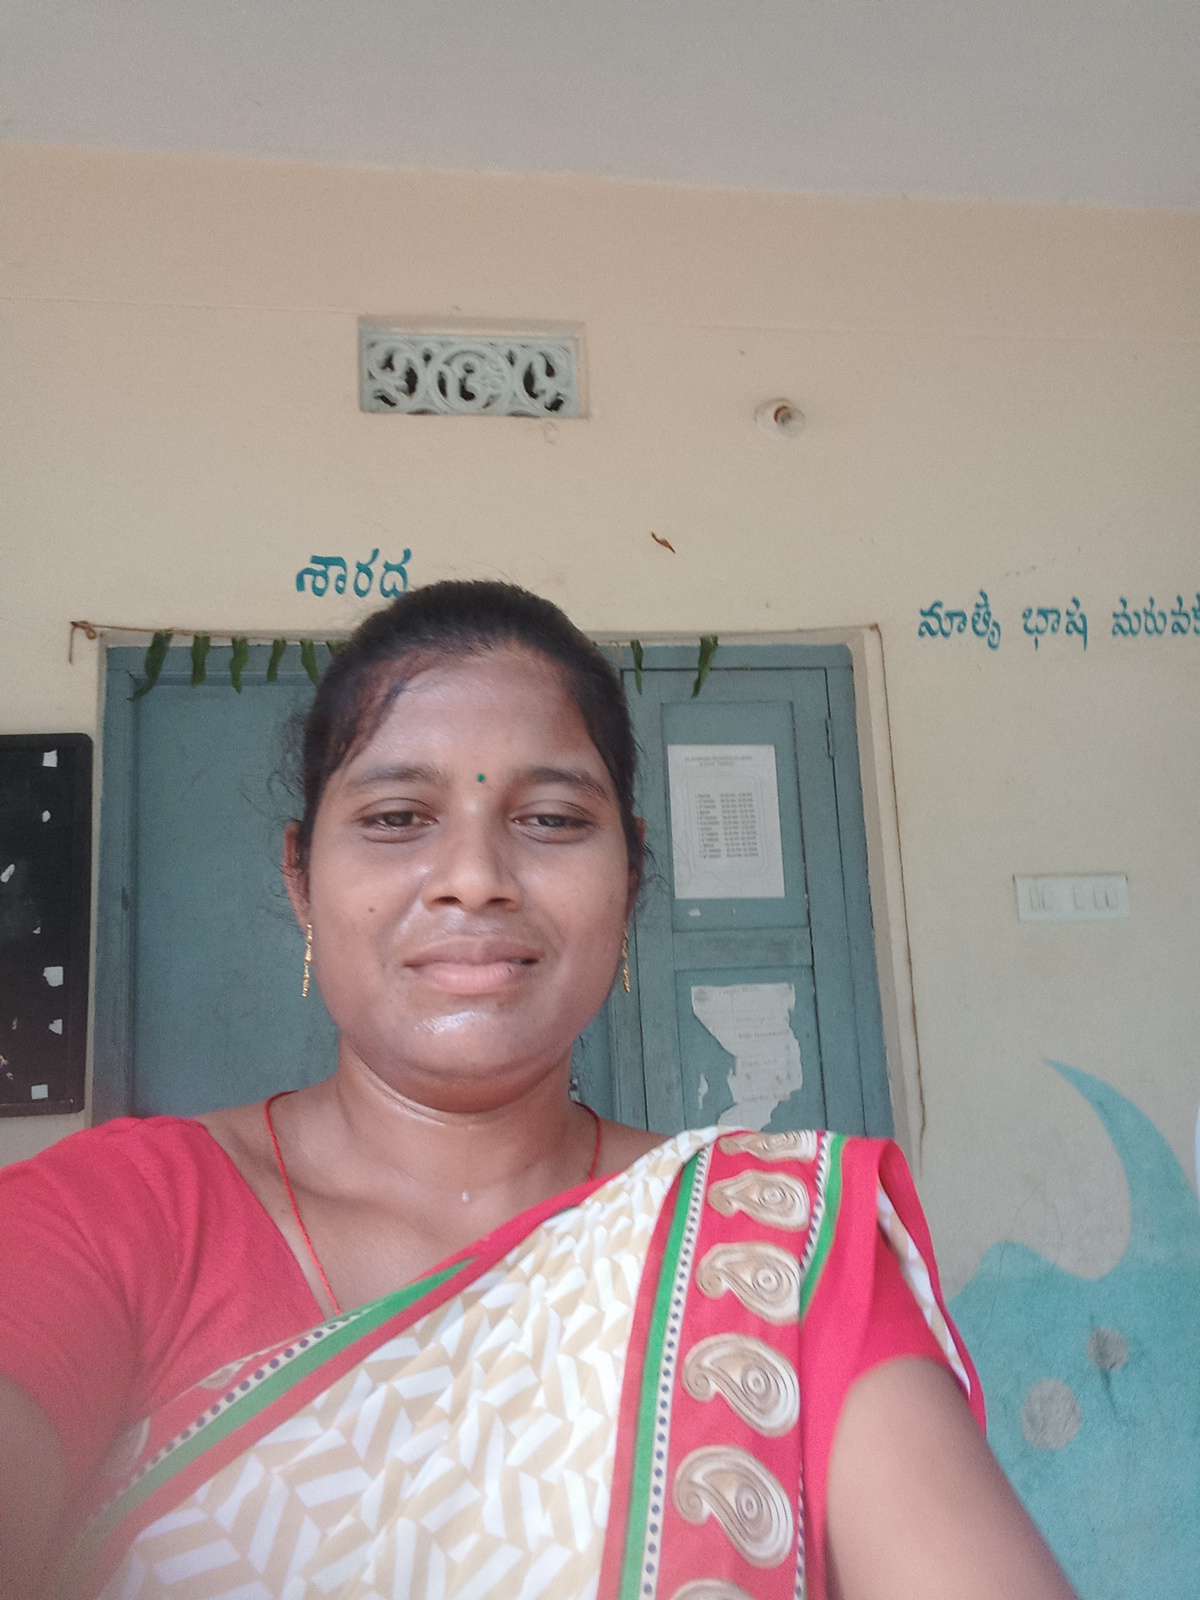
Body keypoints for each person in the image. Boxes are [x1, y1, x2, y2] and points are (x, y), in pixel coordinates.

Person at [0, 581, 1076, 1600]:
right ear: (301, 878)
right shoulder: (113, 1220)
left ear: (632, 876)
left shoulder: (771, 1254)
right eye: (396, 817)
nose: (475, 878)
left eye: (552, 819)